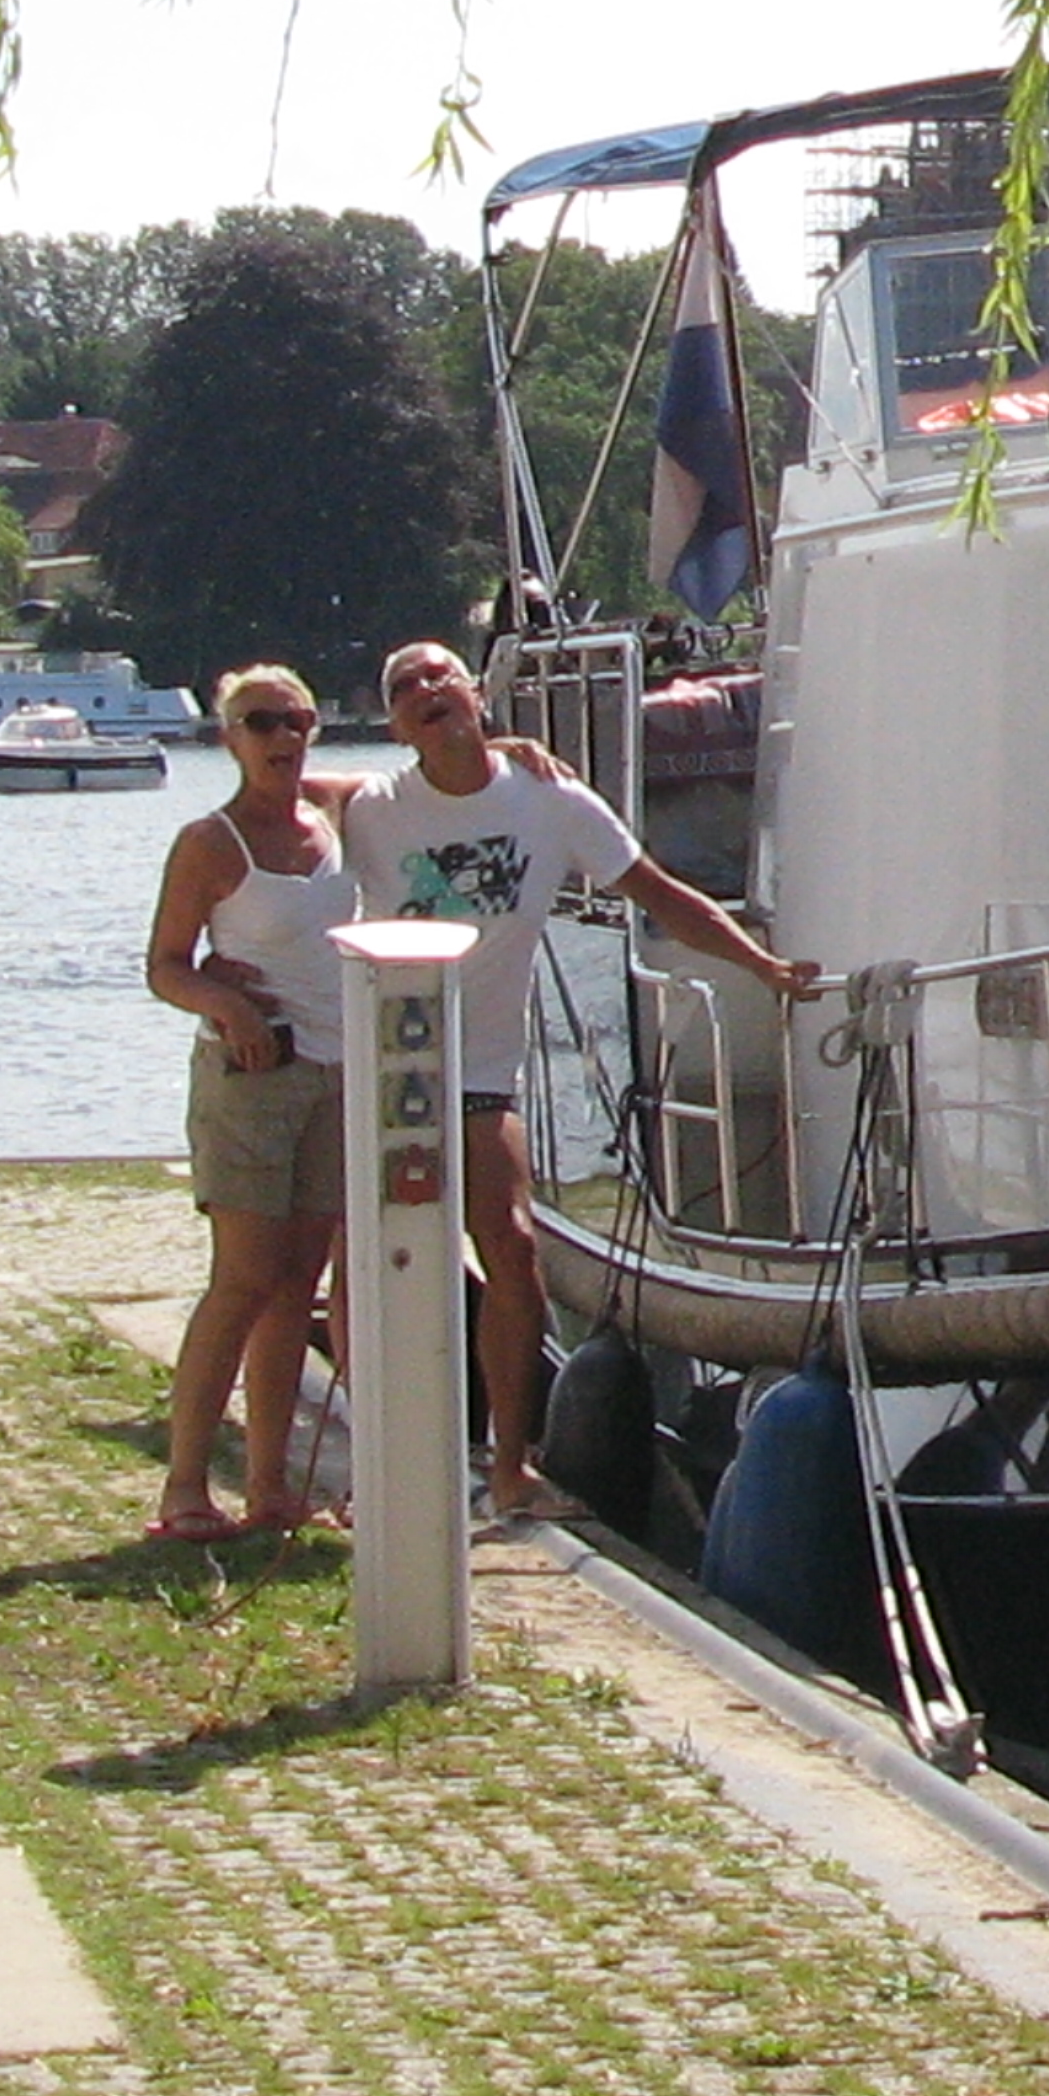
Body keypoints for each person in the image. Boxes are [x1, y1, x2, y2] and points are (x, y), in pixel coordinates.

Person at [338, 640, 825, 1520]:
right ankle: (371, 1460)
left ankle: (513, 1464)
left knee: (514, 1252)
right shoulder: (373, 810)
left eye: (437, 676)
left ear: (475, 694)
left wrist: (762, 964)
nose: (424, 691)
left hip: (483, 1069)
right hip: (385, 1064)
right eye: (403, 687)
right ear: (393, 725)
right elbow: (274, 806)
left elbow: (661, 893)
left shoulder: (549, 799)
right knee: (368, 1260)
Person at [141, 665, 358, 1541]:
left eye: (296, 721)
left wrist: (519, 751)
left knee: (297, 1287)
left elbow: (437, 776)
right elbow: (165, 966)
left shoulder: (337, 819)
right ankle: (186, 1486)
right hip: (251, 1083)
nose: (281, 738)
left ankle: (272, 1488)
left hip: (337, 1074)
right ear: (229, 737)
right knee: (240, 1281)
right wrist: (228, 1006)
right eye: (260, 722)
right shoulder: (210, 842)